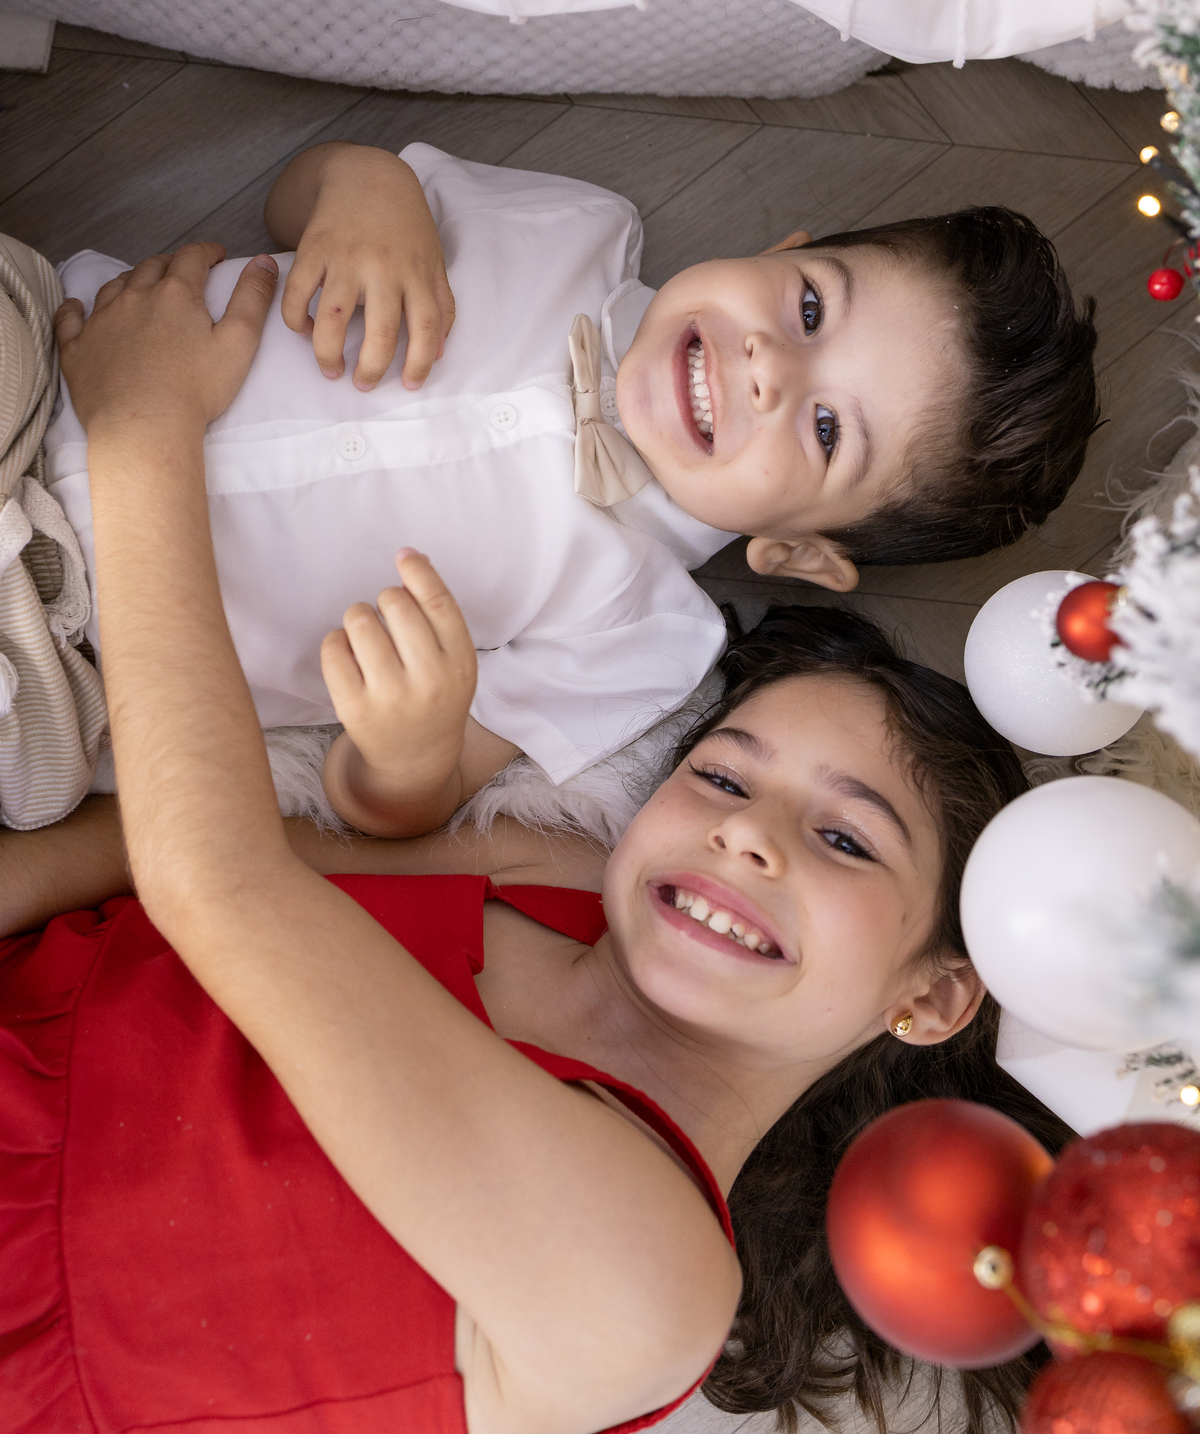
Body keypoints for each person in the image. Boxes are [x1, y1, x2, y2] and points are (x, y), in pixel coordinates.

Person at [1, 248, 1070, 1434]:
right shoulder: (549, 875)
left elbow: (218, 877)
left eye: (846, 839)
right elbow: (178, 847)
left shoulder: (653, 1295)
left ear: (932, 996)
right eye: (722, 775)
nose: (743, 835)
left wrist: (145, 431)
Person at [41, 144, 1099, 840]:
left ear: (799, 554)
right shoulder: (574, 226)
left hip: (72, 652)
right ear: (784, 250)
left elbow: (391, 805)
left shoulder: (643, 636)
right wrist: (366, 185)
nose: (770, 366)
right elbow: (300, 199)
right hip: (53, 355)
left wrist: (406, 752)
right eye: (811, 308)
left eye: (827, 430)